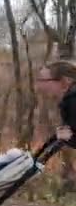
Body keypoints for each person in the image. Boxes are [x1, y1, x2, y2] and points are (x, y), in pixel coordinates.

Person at [35, 59, 76, 191]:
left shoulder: (73, 101)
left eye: (44, 81)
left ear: (64, 82)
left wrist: (69, 138)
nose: (40, 86)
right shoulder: (69, 100)